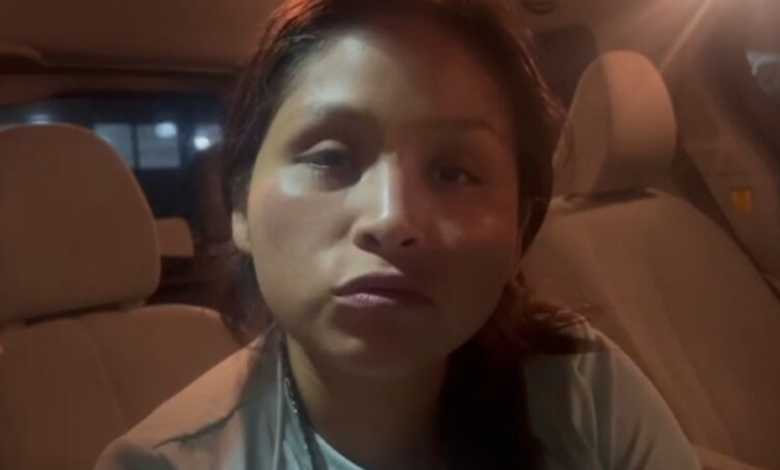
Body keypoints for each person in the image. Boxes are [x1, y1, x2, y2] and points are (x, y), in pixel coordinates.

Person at [94, 0, 700, 468]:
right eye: (331, 158)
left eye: (453, 172)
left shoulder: (582, 388)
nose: (391, 219)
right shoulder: (159, 464)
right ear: (240, 208)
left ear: (520, 230)